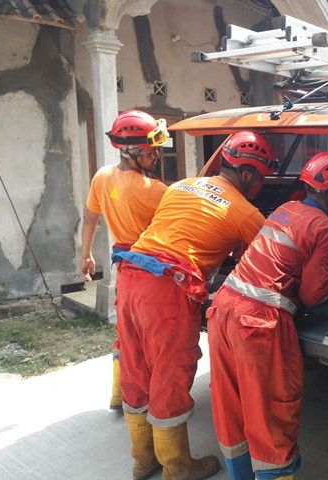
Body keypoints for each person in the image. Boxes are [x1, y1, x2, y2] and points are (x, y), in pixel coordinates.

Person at [113, 131, 278, 480]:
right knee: (170, 373)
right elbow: (273, 261)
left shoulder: (179, 186)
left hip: (130, 277)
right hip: (166, 290)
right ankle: (177, 466)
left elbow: (184, 228)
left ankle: (143, 460)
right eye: (262, 177)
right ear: (248, 174)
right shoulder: (246, 212)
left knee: (135, 367)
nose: (262, 184)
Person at [206, 151, 328, 480]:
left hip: (223, 311)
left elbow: (295, 242)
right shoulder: (325, 227)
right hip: (258, 324)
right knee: (272, 414)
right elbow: (312, 294)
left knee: (232, 407)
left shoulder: (284, 210)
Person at [79, 109, 169, 411]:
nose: (156, 154)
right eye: (150, 149)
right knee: (157, 343)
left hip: (125, 271)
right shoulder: (154, 190)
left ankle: (119, 394)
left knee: (127, 334)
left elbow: (91, 218)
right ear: (131, 151)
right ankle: (155, 405)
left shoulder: (102, 176)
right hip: (152, 273)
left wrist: (86, 255)